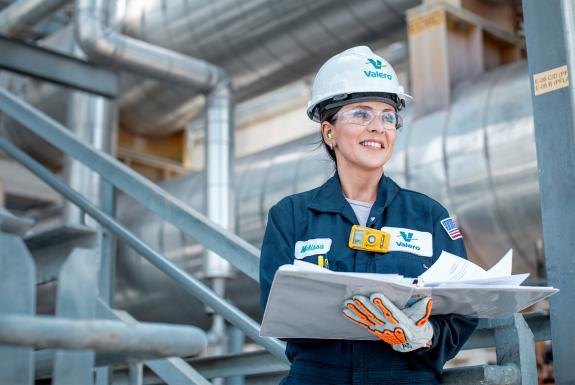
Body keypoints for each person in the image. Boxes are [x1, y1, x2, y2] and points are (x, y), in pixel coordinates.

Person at [259, 46, 478, 385]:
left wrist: (426, 334)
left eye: (388, 116)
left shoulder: (429, 216)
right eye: (361, 114)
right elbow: (278, 313)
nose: (378, 127)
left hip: (407, 376)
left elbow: (464, 309)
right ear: (329, 132)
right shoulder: (291, 217)